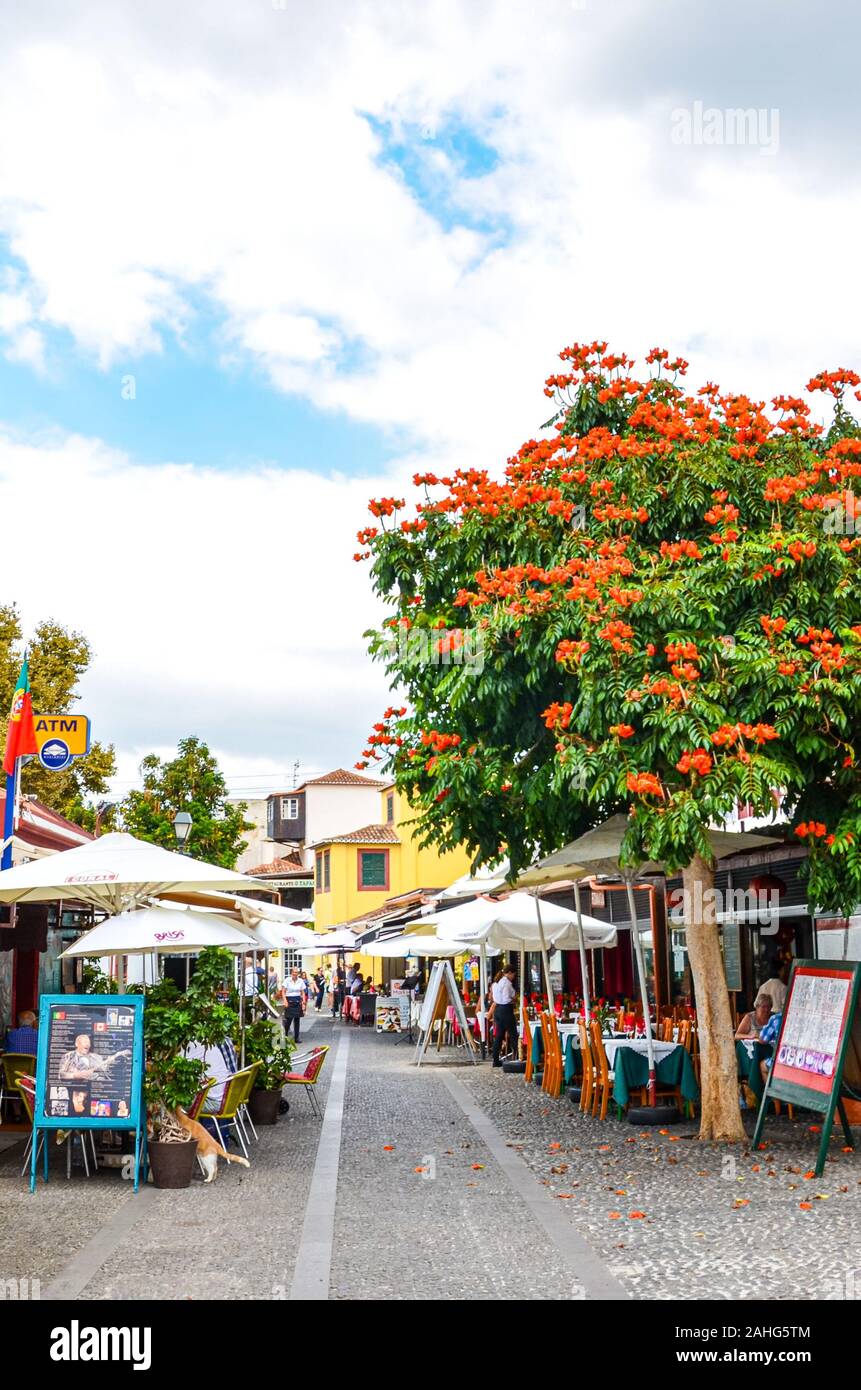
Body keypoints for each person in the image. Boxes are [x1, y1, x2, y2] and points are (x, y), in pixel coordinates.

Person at [58, 1033, 131, 1081]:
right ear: (77, 1044)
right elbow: (60, 1075)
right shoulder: (68, 1056)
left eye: (88, 1042)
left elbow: (104, 1070)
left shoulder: (96, 1057)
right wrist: (74, 1075)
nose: (87, 1044)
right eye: (85, 1042)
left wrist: (113, 1059)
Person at [490, 965, 518, 1067]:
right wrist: (513, 999)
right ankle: (519, 1057)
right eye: (513, 975)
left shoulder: (496, 983)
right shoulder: (506, 984)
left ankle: (495, 1060)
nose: (513, 977)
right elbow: (506, 999)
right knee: (513, 1034)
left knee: (499, 1036)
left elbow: (495, 998)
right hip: (506, 1010)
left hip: (498, 1010)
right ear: (509, 973)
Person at [280, 967, 306, 1043]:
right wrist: (285, 1001)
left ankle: (296, 1038)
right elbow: (283, 991)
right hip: (289, 1000)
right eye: (294, 972)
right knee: (288, 1019)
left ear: (298, 974)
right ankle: (285, 1036)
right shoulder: (287, 980)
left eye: (296, 972)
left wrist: (303, 1002)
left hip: (297, 1000)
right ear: (291, 973)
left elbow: (303, 992)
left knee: (297, 1020)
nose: (295, 974)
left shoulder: (300, 981)